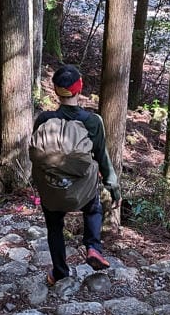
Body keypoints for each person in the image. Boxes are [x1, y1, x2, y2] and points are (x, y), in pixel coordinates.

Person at [32, 64, 121, 284]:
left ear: (56, 90)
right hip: (82, 191)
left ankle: (59, 271)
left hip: (52, 190)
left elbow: (36, 154)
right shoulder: (92, 121)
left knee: (54, 226)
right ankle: (93, 247)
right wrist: (113, 188)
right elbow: (102, 157)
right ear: (79, 88)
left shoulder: (44, 119)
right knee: (94, 207)